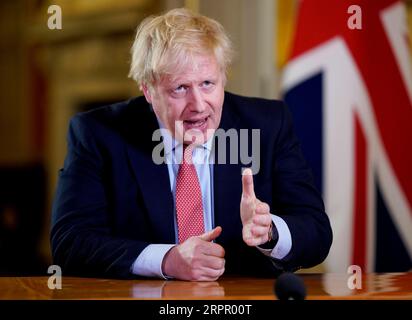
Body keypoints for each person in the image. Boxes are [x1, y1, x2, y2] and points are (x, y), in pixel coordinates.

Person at [51, 8, 332, 280]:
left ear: (223, 77)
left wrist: (270, 231)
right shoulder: (98, 134)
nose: (198, 105)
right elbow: (70, 242)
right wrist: (166, 260)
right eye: (180, 88)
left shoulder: (267, 124)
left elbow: (317, 232)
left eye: (208, 83)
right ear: (148, 90)